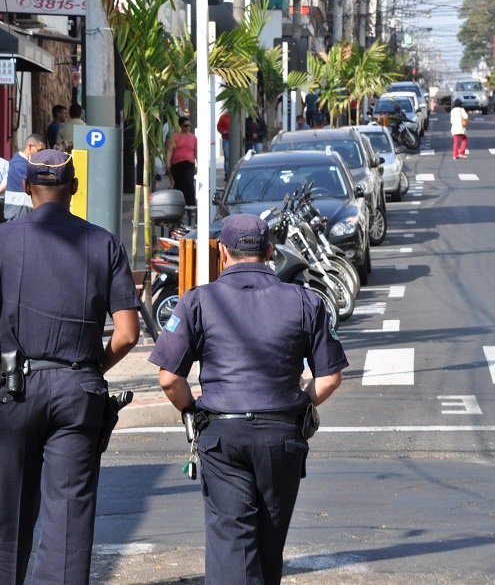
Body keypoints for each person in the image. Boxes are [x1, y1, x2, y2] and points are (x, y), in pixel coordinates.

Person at [0, 149, 140, 584]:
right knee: (69, 520)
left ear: (25, 187)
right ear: (74, 188)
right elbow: (129, 333)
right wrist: (92, 367)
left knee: (11, 514)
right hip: (79, 388)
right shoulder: (104, 243)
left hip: (16, 387)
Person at [148, 213, 347, 585]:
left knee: (233, 548)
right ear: (270, 252)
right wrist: (300, 404)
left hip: (222, 435)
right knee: (269, 549)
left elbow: (169, 378)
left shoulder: (198, 301)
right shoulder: (306, 301)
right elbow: (330, 377)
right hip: (282, 435)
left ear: (222, 252)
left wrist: (192, 411)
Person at [4, 133, 45, 220]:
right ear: (30, 146)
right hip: (19, 215)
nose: (41, 154)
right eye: (40, 150)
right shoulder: (20, 165)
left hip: (19, 214)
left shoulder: (17, 162)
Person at [166, 116, 197, 206]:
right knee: (179, 185)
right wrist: (167, 161)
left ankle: (191, 205)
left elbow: (196, 151)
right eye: (185, 126)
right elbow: (170, 150)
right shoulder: (175, 137)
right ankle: (179, 205)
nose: (187, 128)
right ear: (181, 126)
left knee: (189, 183)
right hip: (177, 164)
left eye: (189, 126)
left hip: (189, 164)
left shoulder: (193, 138)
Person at [216, 112, 231, 180]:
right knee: (227, 157)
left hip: (235, 139)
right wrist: (224, 131)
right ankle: (227, 174)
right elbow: (219, 127)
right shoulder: (223, 117)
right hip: (226, 139)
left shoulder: (237, 115)